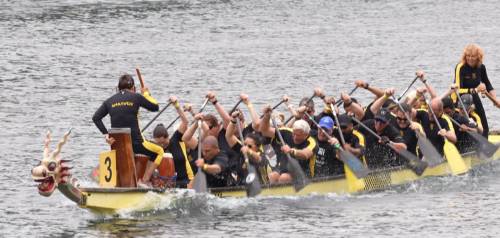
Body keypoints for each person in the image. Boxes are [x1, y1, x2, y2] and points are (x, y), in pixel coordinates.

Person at [92, 74, 163, 187]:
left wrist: (106, 134)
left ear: (118, 88)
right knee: (159, 151)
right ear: (133, 88)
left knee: (123, 151)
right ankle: (144, 181)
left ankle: (116, 183)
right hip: (136, 143)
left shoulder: (109, 101)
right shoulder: (136, 97)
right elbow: (155, 107)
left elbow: (96, 118)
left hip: (117, 144)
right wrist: (146, 93)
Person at [260, 106, 318, 184]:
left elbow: (305, 154)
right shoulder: (286, 132)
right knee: (273, 176)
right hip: (285, 170)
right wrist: (266, 116)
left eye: (299, 135)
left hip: (304, 174)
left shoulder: (312, 142)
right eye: (294, 133)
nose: (295, 137)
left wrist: (291, 151)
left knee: (284, 178)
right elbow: (264, 131)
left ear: (306, 134)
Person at [453, 44, 500, 137]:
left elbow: (488, 85)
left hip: (473, 96)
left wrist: (496, 99)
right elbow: (458, 90)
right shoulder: (460, 67)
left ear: (478, 57)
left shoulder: (481, 67)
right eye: (468, 56)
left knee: (484, 125)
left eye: (473, 56)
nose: (470, 59)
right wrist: (475, 90)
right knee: (466, 123)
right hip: (458, 99)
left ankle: (485, 145)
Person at [151, 96, 194, 188]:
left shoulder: (175, 139)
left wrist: (176, 105)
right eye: (159, 143)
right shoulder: (153, 148)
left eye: (164, 143)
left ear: (168, 137)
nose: (162, 145)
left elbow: (185, 122)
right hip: (166, 184)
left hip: (186, 181)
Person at [226, 111, 271, 184]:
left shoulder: (262, 156)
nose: (246, 147)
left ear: (257, 147)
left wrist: (249, 152)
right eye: (245, 144)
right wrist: (233, 120)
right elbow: (229, 136)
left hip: (259, 186)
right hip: (241, 186)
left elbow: (258, 158)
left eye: (249, 146)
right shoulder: (242, 151)